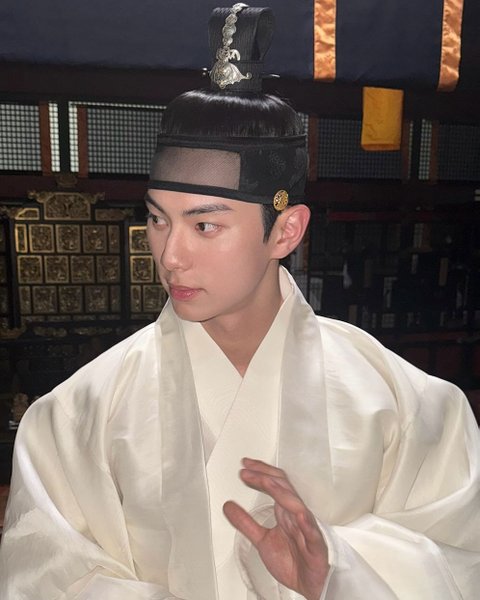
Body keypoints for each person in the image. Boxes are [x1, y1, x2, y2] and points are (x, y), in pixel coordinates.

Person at [1, 4, 479, 599]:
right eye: (158, 220)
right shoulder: (80, 413)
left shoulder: (406, 404)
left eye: (205, 226)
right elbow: (44, 572)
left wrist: (339, 569)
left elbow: (459, 556)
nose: (170, 255)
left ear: (286, 231)